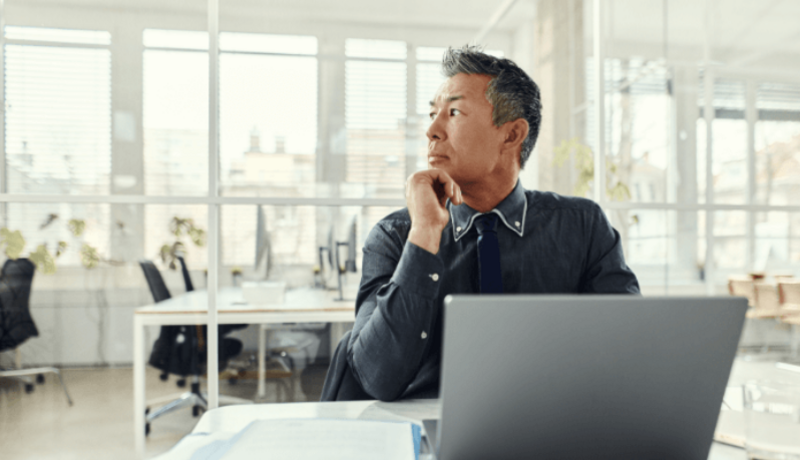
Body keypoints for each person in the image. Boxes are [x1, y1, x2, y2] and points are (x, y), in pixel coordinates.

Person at [321, 45, 640, 402]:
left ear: (511, 135)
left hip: (547, 425)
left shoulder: (583, 227)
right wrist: (425, 232)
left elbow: (627, 354)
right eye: (432, 113)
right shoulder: (394, 237)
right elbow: (376, 378)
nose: (432, 130)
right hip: (425, 430)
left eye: (454, 112)